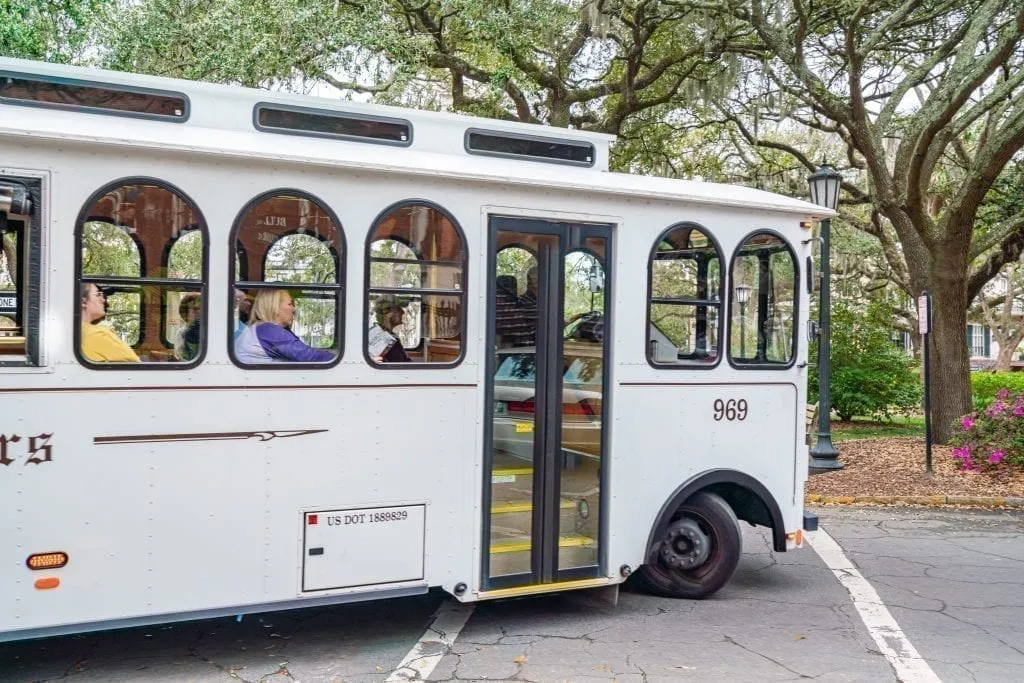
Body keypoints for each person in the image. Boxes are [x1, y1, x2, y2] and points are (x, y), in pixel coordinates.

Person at [234, 289, 334, 363]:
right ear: (275, 307)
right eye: (290, 304)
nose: (294, 309)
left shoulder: (261, 328)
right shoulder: (270, 332)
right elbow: (310, 356)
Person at [80, 283, 139, 362]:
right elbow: (135, 362)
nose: (103, 300)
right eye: (98, 295)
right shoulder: (98, 334)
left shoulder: (75, 331)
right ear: (83, 302)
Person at [369, 296, 411, 362]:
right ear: (389, 313)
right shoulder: (382, 338)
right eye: (399, 309)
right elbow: (399, 362)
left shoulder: (389, 335)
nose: (403, 312)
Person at [174, 293, 202, 361]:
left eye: (201, 308)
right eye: (195, 309)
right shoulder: (182, 333)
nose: (199, 312)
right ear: (186, 312)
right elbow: (182, 359)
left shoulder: (214, 330)